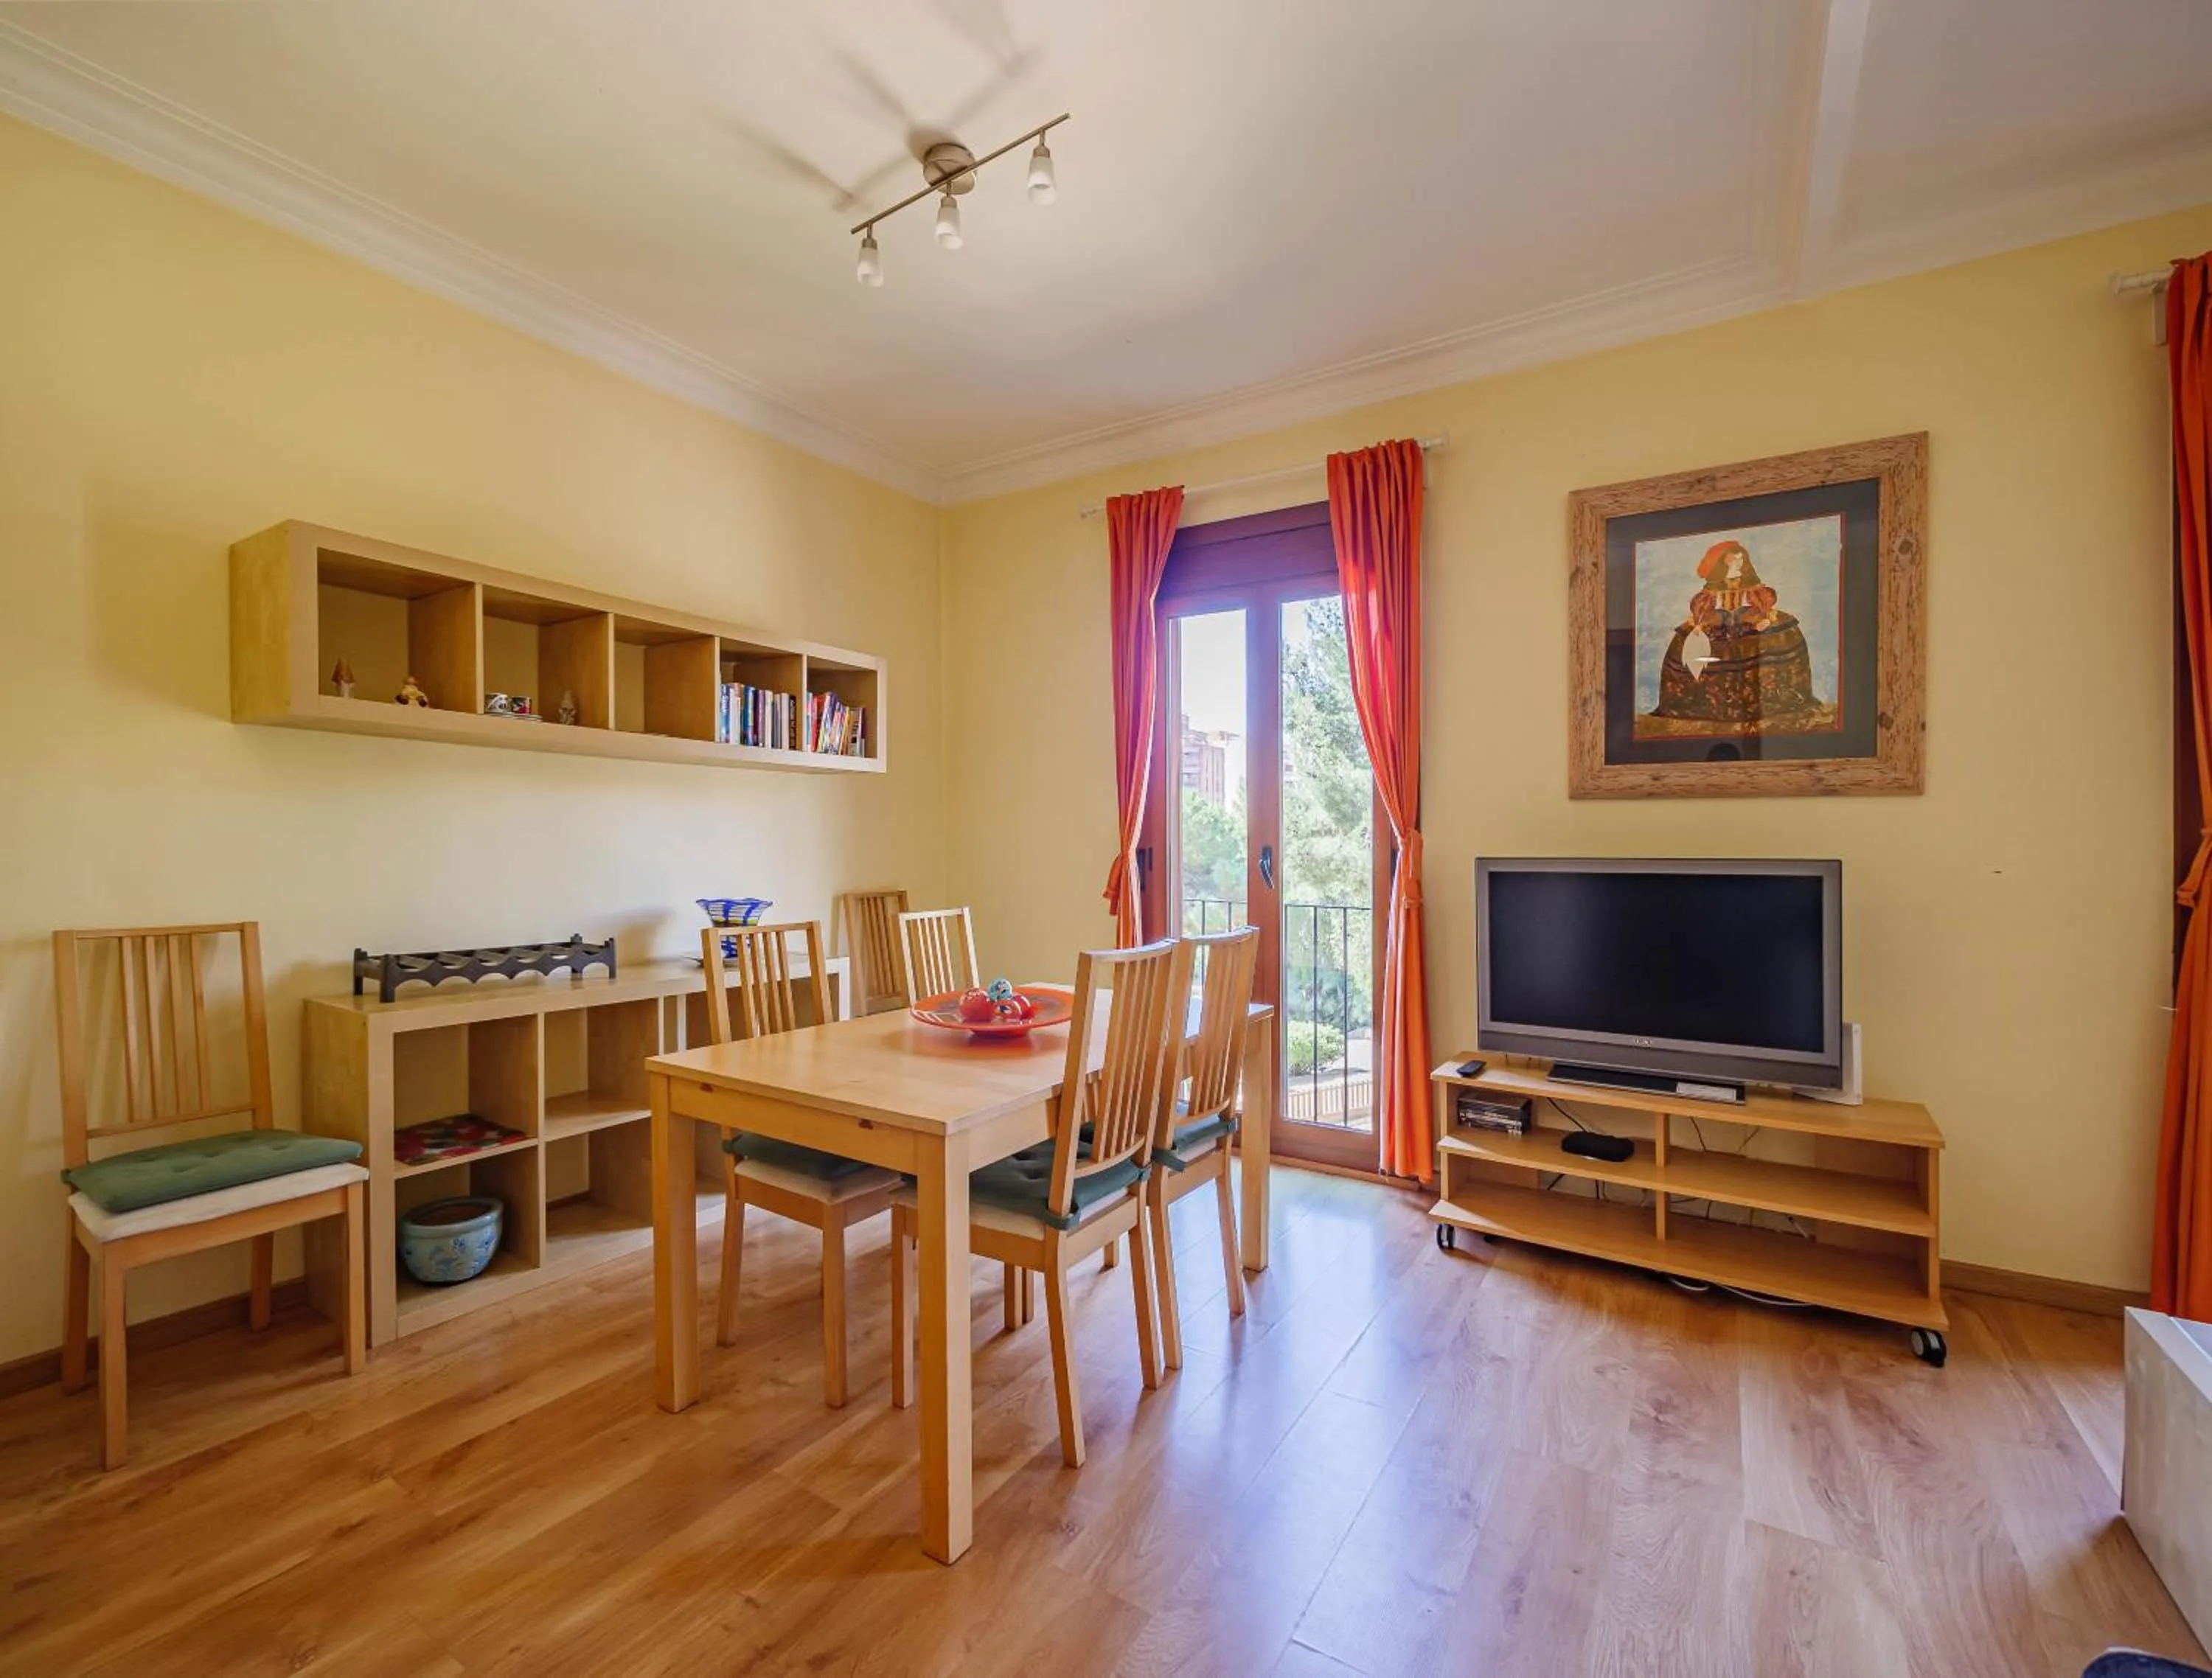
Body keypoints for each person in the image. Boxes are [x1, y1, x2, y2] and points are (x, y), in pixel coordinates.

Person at [1648, 538, 1823, 731]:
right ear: (1725, 562)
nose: (1740, 563)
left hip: (1748, 618)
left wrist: (1764, 616)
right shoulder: (1713, 585)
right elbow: (1702, 605)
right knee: (1693, 645)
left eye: (1742, 559)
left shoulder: (1751, 582)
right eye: (1735, 559)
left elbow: (1763, 599)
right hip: (1719, 621)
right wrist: (1700, 623)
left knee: (1775, 637)